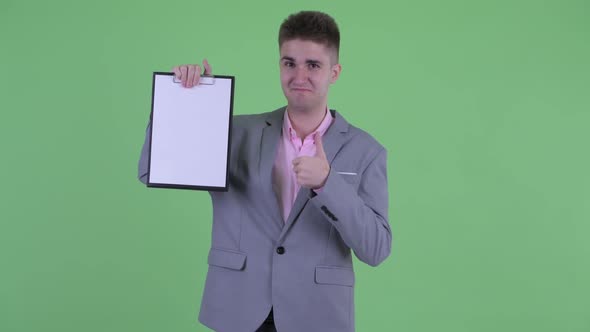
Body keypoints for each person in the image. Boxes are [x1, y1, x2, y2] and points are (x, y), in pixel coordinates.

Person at [138, 10, 392, 332]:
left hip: (317, 315)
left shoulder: (366, 151)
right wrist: (181, 101)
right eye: (289, 63)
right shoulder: (236, 132)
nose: (299, 76)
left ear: (335, 72)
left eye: (313, 65)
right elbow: (153, 170)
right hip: (238, 310)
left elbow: (376, 248)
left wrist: (328, 184)